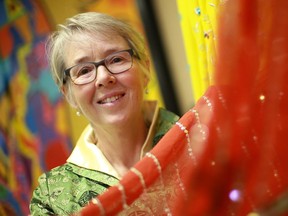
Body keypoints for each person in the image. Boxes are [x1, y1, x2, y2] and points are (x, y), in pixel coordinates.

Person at [29, 12, 179, 215]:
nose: (103, 77)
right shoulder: (53, 200)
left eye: (116, 59)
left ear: (145, 69)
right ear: (69, 95)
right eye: (83, 71)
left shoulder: (198, 137)